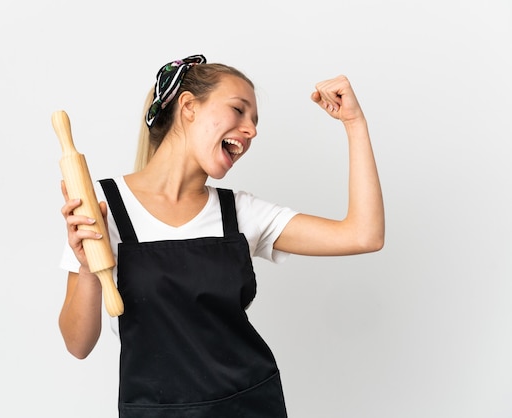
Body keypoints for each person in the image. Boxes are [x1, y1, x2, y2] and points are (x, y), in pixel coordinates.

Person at [57, 54, 384, 417]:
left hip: (250, 405)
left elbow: (363, 235)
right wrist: (88, 269)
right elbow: (77, 344)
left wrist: (354, 123)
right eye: (238, 110)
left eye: (255, 121)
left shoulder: (240, 214)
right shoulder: (101, 208)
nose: (252, 130)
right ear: (188, 107)